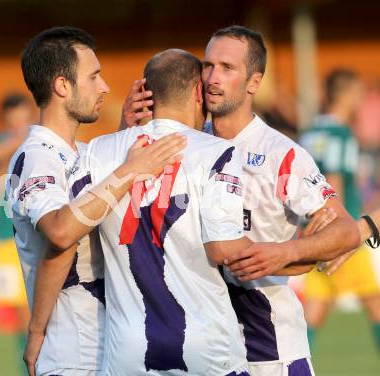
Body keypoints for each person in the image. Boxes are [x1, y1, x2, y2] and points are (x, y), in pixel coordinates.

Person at [120, 25, 360, 376]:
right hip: (198, 352)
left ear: (254, 82)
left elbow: (346, 231)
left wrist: (287, 251)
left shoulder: (282, 154)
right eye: (208, 65)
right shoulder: (181, 144)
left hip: (268, 350)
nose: (213, 78)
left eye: (227, 68)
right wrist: (125, 130)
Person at [6, 26, 186, 376]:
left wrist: (122, 138)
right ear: (62, 86)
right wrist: (130, 170)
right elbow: (61, 231)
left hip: (115, 349)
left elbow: (92, 201)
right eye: (94, 77)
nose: (104, 87)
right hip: (72, 356)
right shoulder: (36, 157)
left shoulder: (81, 153)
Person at [87, 48, 252, 375]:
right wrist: (293, 250)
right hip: (204, 342)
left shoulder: (98, 150)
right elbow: (224, 249)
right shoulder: (218, 152)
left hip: (127, 350)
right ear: (197, 92)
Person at [299, 69, 380, 352]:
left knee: (317, 306)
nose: (361, 100)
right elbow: (333, 182)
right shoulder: (341, 133)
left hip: (313, 229)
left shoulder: (309, 132)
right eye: (358, 93)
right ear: (345, 95)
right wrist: (342, 230)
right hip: (342, 231)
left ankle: (296, 365)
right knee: (376, 303)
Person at [0, 93, 35, 376]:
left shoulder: (37, 141)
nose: (18, 124)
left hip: (35, 235)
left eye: (22, 117)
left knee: (38, 309)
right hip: (6, 238)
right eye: (12, 120)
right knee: (19, 314)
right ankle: (26, 366)